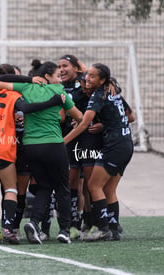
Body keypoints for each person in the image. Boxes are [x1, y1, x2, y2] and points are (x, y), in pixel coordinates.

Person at [0, 60, 83, 244]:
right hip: (38, 144)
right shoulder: (49, 92)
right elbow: (78, 117)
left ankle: (6, 229)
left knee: (37, 187)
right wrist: (60, 116)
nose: (60, 79)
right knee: (52, 187)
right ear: (47, 76)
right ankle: (59, 229)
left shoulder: (5, 90)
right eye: (57, 75)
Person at [64, 63, 134, 241]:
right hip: (125, 144)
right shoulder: (112, 91)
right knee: (108, 189)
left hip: (114, 145)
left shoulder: (99, 95)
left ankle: (102, 228)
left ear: (102, 80)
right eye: (87, 75)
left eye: (92, 76)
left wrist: (63, 141)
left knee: (93, 186)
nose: (87, 78)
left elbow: (84, 122)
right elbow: (129, 115)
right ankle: (113, 228)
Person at [58, 54, 101, 239]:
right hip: (68, 139)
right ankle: (72, 224)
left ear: (76, 68)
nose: (61, 69)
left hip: (88, 140)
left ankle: (91, 221)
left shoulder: (85, 83)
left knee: (90, 184)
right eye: (59, 66)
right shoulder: (58, 87)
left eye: (65, 65)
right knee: (71, 182)